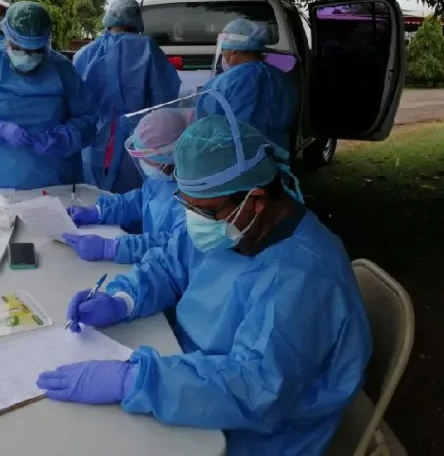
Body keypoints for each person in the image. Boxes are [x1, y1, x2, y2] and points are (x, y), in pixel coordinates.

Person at [37, 113, 372, 456]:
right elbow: (168, 266)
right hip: (190, 377)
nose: (195, 221)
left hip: (259, 432)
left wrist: (135, 381)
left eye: (205, 211)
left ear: (255, 200)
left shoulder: (305, 277)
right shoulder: (233, 225)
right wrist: (122, 299)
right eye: (187, 204)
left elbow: (255, 387)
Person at [0, 1, 98, 190]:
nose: (26, 55)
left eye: (35, 51)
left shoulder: (61, 68)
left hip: (53, 184)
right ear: (7, 37)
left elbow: (88, 117)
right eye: (18, 47)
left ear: (47, 41)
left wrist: (64, 137)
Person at [73, 0, 181, 194]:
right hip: (138, 143)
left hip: (94, 143)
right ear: (137, 20)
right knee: (133, 202)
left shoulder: (86, 53)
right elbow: (165, 101)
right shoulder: (148, 48)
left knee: (93, 203)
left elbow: (73, 101)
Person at [61, 108, 192, 264]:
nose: (144, 162)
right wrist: (98, 211)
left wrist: (112, 248)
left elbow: (173, 248)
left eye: (148, 157)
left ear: (169, 155)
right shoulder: (163, 177)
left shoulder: (195, 197)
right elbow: (140, 200)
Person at [198, 18, 297, 150]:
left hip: (235, 160)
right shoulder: (283, 79)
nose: (224, 54)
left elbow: (204, 127)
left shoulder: (225, 82)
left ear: (233, 50)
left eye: (224, 49)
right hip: (275, 158)